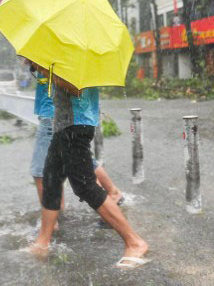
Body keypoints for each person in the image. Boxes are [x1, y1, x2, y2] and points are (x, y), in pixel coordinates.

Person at [29, 74, 149, 269]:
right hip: (62, 126)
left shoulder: (75, 55)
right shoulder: (66, 55)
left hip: (76, 126)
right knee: (51, 180)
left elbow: (76, 88)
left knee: (85, 186)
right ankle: (43, 242)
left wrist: (51, 74)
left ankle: (135, 242)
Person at [29, 64, 123, 210]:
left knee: (42, 172)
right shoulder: (70, 53)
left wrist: (41, 68)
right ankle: (112, 193)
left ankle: (53, 220)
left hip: (56, 114)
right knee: (75, 165)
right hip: (70, 115)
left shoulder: (55, 53)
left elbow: (74, 88)